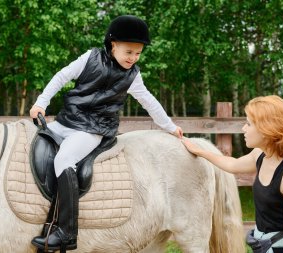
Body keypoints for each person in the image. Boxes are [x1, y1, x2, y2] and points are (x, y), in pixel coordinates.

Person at [29, 15, 183, 252]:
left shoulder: (132, 76)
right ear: (113, 44)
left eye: (138, 53)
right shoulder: (90, 58)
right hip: (67, 120)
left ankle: (67, 233)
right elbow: (62, 76)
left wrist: (170, 127)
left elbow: (149, 101)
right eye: (128, 51)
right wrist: (41, 102)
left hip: (94, 129)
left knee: (64, 159)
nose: (133, 58)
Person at [182, 95, 283, 253]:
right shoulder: (260, 155)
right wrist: (199, 151)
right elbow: (233, 164)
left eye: (248, 124)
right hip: (263, 246)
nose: (243, 128)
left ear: (266, 128)